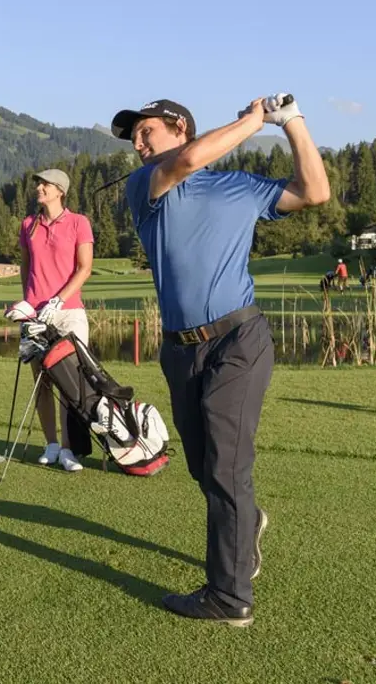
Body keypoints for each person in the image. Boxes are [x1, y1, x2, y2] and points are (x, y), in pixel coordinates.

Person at [109, 94, 330, 626]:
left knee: (227, 464)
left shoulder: (240, 187)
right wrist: (254, 120)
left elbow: (315, 192)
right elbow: (186, 161)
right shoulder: (147, 185)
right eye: (134, 139)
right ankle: (245, 522)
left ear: (179, 126)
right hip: (180, 350)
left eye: (146, 133)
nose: (138, 145)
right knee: (203, 466)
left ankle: (230, 598)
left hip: (239, 339)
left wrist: (292, 122)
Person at [18, 168, 95, 472]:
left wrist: (58, 300)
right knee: (41, 381)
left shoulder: (78, 223)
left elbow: (84, 268)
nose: (38, 187)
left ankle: (68, 449)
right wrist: (27, 302)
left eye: (45, 184)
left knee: (71, 383)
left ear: (60, 190)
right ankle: (51, 444)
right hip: (36, 315)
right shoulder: (28, 225)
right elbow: (26, 267)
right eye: (38, 183)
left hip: (69, 313)